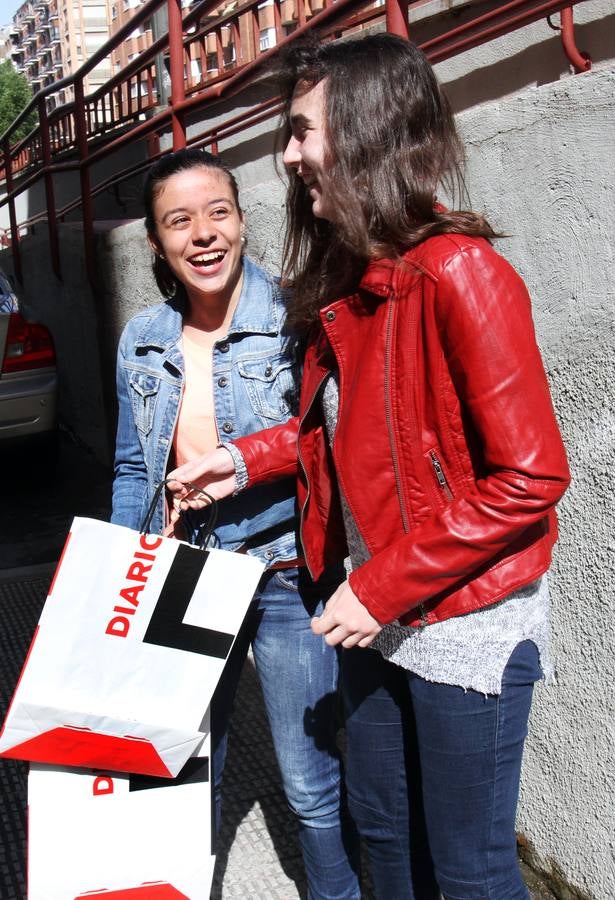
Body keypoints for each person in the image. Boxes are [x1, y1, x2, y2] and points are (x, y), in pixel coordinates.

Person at [166, 36, 571, 900]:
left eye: (302, 132)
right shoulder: (352, 283)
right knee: (382, 834)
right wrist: (239, 462)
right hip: (374, 612)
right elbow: (338, 434)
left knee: (467, 869)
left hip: (462, 622)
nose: (287, 156)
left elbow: (529, 480)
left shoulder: (462, 272)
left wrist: (380, 586)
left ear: (366, 130)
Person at [111, 147, 360, 900]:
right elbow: (133, 469)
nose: (203, 234)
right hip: (185, 573)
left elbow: (328, 441)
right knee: (183, 764)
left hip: (285, 572)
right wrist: (119, 571)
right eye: (179, 221)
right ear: (157, 243)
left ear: (243, 222)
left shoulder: (295, 318)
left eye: (217, 212)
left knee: (309, 782)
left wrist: (242, 462)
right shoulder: (142, 339)